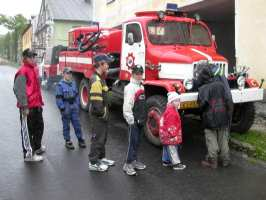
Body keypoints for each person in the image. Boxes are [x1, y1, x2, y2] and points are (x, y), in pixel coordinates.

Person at [197, 66, 233, 169]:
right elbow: (227, 99)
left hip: (210, 118)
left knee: (211, 139)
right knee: (223, 139)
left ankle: (213, 161)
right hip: (223, 115)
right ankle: (226, 160)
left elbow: (202, 105)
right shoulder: (221, 85)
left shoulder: (203, 89)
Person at [13, 48, 45, 162]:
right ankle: (28, 155)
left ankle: (36, 147)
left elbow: (36, 88)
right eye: (31, 57)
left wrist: (39, 103)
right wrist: (24, 106)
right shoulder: (22, 71)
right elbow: (19, 90)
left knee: (39, 127)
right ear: (25, 58)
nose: (34, 58)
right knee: (27, 131)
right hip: (27, 107)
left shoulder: (34, 69)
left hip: (36, 105)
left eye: (34, 56)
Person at [88, 54, 115, 172]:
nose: (108, 65)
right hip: (98, 115)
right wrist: (102, 113)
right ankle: (93, 162)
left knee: (103, 137)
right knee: (97, 138)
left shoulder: (101, 77)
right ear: (100, 64)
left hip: (103, 114)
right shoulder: (96, 80)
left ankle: (101, 158)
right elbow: (96, 101)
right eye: (107, 63)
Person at [123, 65, 146, 176]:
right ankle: (127, 164)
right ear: (132, 73)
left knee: (137, 142)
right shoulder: (130, 88)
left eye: (141, 73)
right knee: (132, 143)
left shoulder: (141, 87)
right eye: (137, 73)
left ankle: (134, 161)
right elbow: (127, 106)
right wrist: (131, 120)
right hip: (133, 121)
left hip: (140, 121)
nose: (139, 75)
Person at [55, 67, 86, 149]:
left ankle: (80, 139)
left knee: (77, 124)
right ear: (64, 74)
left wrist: (77, 105)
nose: (69, 75)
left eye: (70, 73)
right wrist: (62, 108)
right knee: (66, 126)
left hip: (74, 107)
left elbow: (76, 95)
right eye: (67, 73)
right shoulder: (60, 85)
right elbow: (58, 98)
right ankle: (68, 141)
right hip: (66, 107)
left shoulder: (73, 83)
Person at [159, 92, 186, 170]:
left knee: (166, 146)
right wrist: (173, 134)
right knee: (172, 148)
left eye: (178, 100)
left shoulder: (170, 109)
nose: (178, 102)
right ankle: (176, 164)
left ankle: (166, 161)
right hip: (170, 134)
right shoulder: (172, 112)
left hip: (165, 133)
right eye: (176, 101)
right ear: (171, 102)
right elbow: (171, 125)